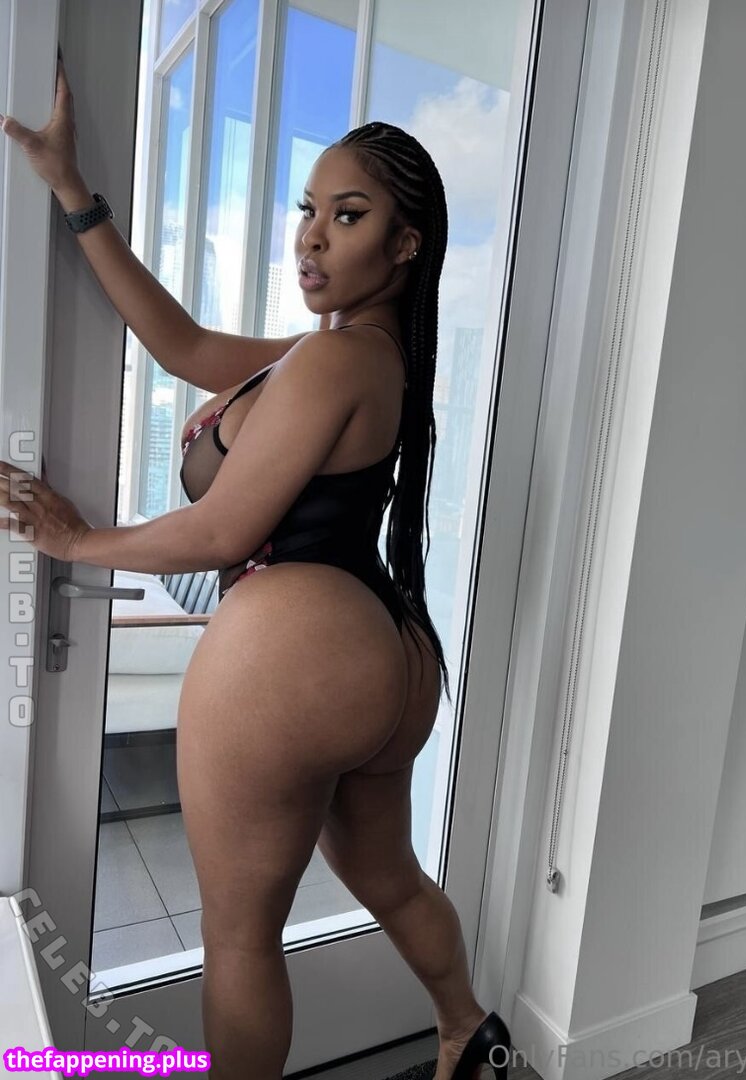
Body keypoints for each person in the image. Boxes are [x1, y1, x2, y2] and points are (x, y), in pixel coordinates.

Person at [0, 52, 512, 1080]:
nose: (312, 236)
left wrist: (75, 541)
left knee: (239, 940)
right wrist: (74, 194)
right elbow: (183, 345)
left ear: (404, 244)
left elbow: (219, 535)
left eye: (348, 216)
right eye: (307, 209)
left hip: (297, 654)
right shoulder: (352, 356)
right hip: (389, 653)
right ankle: (468, 1032)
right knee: (390, 880)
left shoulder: (335, 358)